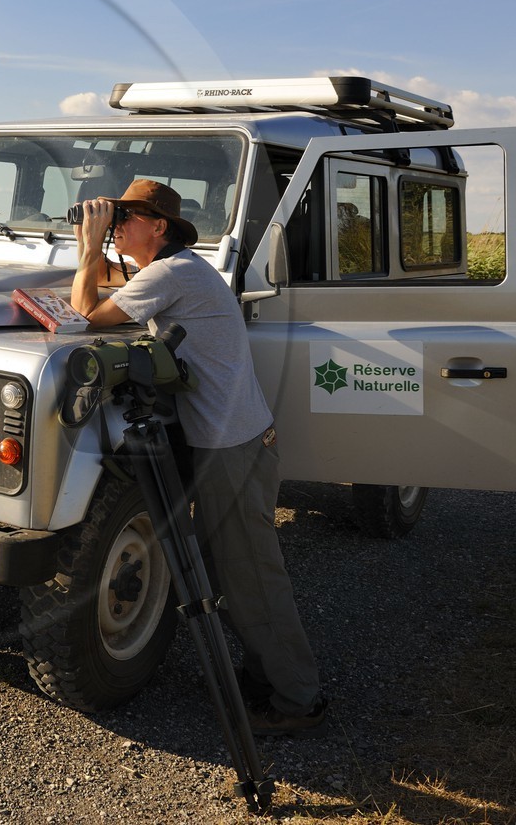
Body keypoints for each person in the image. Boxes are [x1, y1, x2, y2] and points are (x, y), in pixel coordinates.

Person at [70, 179, 327, 736]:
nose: (116, 225)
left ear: (158, 226)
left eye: (126, 218)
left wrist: (89, 245)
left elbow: (87, 311)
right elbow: (113, 284)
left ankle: (297, 700)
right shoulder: (176, 268)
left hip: (233, 448)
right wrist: (99, 248)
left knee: (250, 575)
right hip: (235, 441)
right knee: (227, 568)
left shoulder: (172, 273)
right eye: (115, 218)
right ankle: (267, 677)